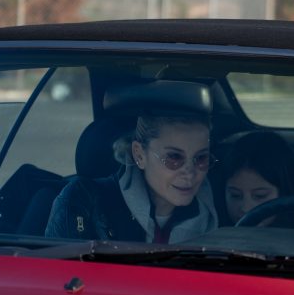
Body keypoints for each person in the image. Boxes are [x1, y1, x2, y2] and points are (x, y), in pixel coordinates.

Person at [45, 83, 218, 243]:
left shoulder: (222, 206)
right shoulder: (83, 203)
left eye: (201, 158)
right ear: (139, 155)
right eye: (174, 157)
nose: (190, 172)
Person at [219, 130, 294, 225]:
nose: (245, 208)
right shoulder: (214, 228)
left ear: (284, 192)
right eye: (235, 195)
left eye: (260, 196)